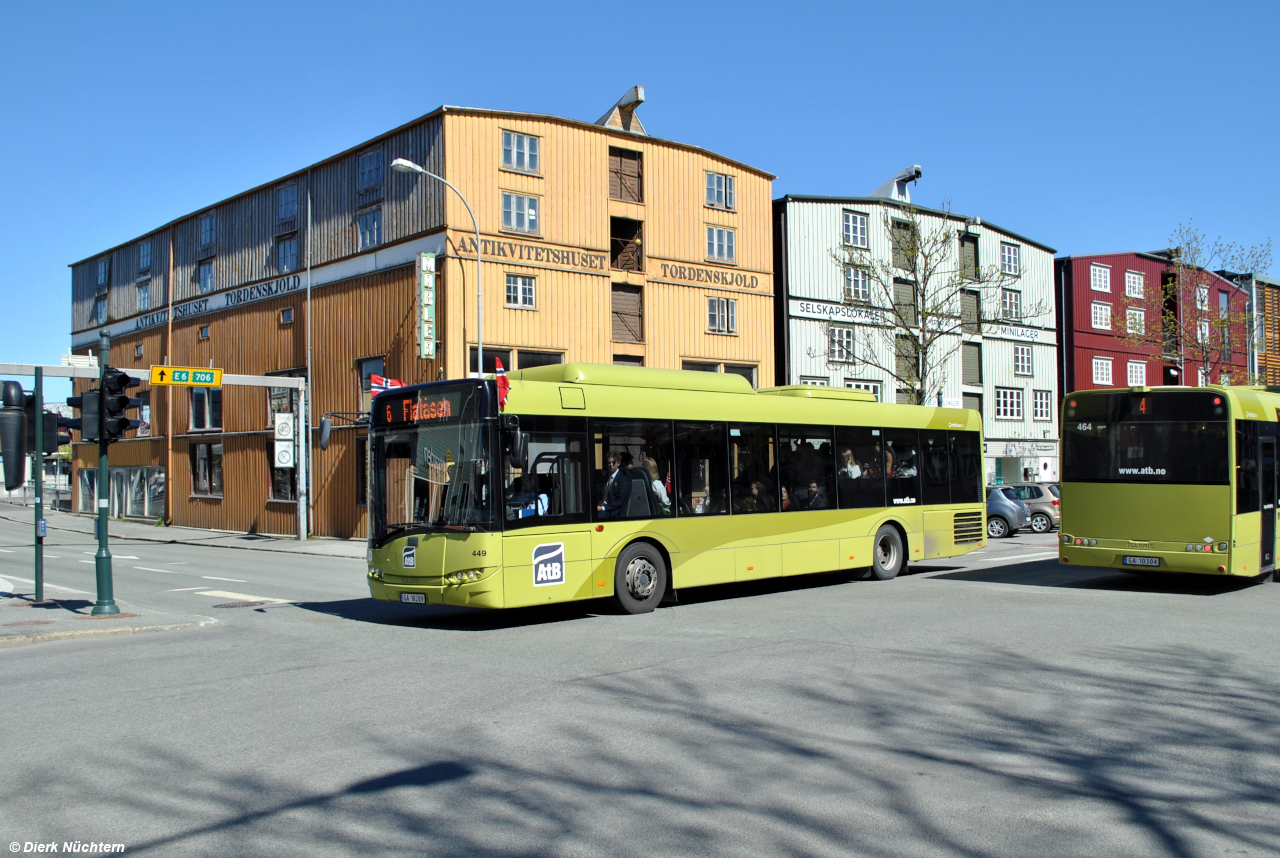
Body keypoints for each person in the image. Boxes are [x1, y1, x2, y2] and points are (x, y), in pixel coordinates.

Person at [597, 453, 630, 518]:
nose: (611, 465)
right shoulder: (605, 477)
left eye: (613, 463)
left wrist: (603, 508)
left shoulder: (622, 479)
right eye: (609, 463)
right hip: (600, 506)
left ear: (618, 463)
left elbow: (620, 501)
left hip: (612, 511)